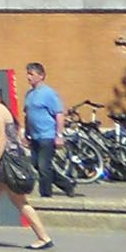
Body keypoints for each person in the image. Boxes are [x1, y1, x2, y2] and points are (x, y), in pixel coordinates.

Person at [0, 78, 51, 249]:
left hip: (7, 158)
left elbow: (2, 139)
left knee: (7, 200)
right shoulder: (0, 109)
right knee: (0, 199)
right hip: (13, 156)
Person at [21, 62, 74, 200]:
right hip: (35, 136)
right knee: (37, 165)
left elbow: (59, 114)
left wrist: (59, 135)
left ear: (41, 76)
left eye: (31, 74)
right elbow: (28, 115)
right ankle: (67, 184)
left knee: (44, 166)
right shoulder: (29, 95)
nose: (28, 77)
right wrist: (26, 133)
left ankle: (45, 195)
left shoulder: (49, 93)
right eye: (27, 74)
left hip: (47, 135)